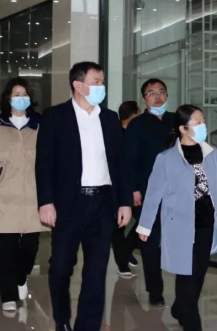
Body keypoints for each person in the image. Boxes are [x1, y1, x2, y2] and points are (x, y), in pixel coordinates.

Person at [137, 104, 217, 331]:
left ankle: (180, 308)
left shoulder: (211, 153)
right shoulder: (166, 159)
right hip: (179, 226)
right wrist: (145, 226)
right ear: (183, 128)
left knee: (198, 274)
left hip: (206, 224)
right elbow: (154, 194)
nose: (203, 125)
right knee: (186, 275)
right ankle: (191, 323)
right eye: (198, 122)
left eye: (203, 121)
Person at [35, 61, 132, 331]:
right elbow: (44, 163)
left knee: (96, 271)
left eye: (102, 81)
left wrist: (124, 202)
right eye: (96, 81)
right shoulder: (55, 116)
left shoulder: (109, 118)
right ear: (78, 85)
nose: (102, 86)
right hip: (69, 204)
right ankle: (62, 318)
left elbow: (120, 164)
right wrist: (46, 202)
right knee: (60, 267)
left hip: (103, 203)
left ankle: (87, 326)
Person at [0, 78, 47, 315]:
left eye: (24, 93)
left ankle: (21, 276)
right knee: (6, 250)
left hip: (33, 198)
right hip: (4, 196)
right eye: (16, 94)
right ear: (8, 98)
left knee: (30, 248)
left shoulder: (40, 124)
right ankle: (8, 296)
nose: (20, 98)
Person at [121, 78, 175, 305]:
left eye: (161, 92)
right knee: (151, 242)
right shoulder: (138, 125)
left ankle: (124, 248)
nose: (157, 97)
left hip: (176, 191)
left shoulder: (177, 121)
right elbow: (128, 160)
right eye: (151, 93)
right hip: (147, 191)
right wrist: (133, 190)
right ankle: (155, 290)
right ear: (144, 99)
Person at [110, 100, 140, 278]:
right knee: (118, 228)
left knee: (144, 221)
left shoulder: (136, 132)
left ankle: (126, 250)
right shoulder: (115, 132)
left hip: (135, 186)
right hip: (119, 187)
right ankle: (123, 265)